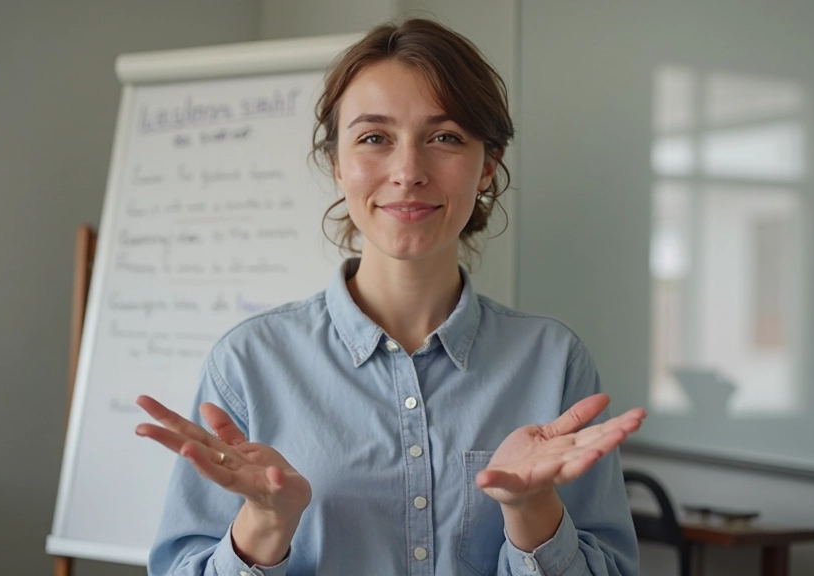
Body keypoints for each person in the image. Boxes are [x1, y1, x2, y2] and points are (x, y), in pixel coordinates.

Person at [136, 18, 646, 576]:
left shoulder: (553, 361)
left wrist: (531, 511)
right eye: (374, 138)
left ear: (488, 166)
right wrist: (264, 524)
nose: (407, 172)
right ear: (337, 164)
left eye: (445, 137)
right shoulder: (248, 362)